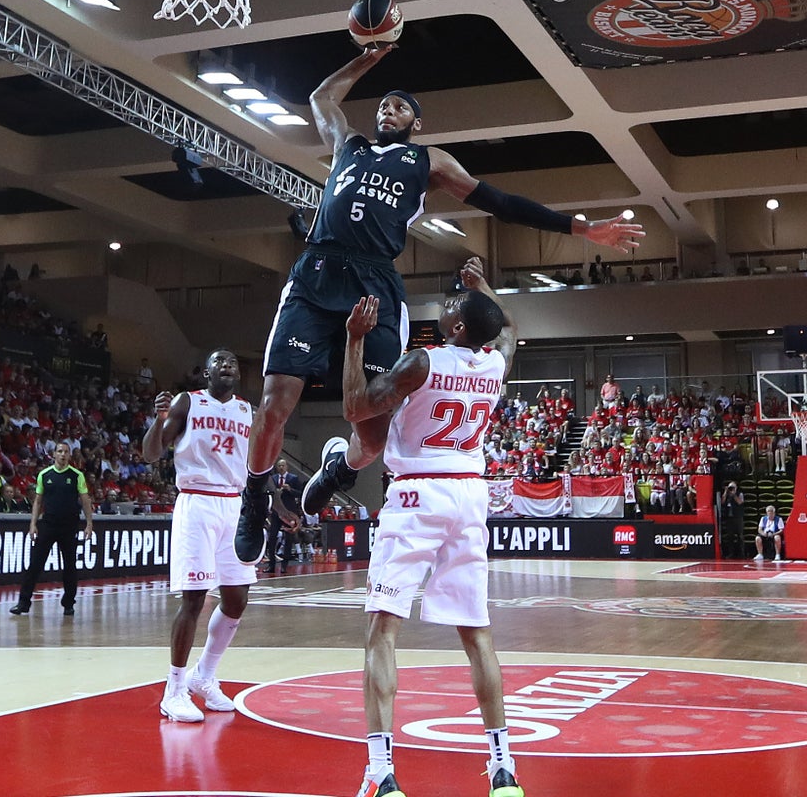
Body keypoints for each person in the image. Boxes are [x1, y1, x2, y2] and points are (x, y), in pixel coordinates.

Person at [238, 41, 642, 561]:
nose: (388, 110)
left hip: (375, 282)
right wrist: (369, 58)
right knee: (274, 403)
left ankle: (337, 469)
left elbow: (500, 202)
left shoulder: (429, 162)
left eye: (400, 107)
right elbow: (321, 97)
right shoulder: (348, 146)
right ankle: (255, 497)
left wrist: (581, 229)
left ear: (417, 123)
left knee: (373, 437)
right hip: (318, 273)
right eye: (384, 104)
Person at [338, 280, 523, 797]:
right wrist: (485, 290)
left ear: (458, 327)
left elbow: (355, 406)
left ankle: (381, 773)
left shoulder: (423, 361)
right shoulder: (495, 364)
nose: (447, 303)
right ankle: (504, 769)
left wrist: (355, 339)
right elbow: (509, 329)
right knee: (477, 634)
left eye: (454, 305)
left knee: (382, 630)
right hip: (469, 496)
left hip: (418, 492)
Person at [138, 349, 255, 723]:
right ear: (206, 373)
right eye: (218, 362)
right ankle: (173, 690)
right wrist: (159, 420)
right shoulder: (187, 402)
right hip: (198, 500)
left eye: (232, 362)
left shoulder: (246, 411)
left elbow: (254, 464)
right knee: (194, 599)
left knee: (236, 599)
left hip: (234, 505)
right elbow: (150, 454)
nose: (227, 366)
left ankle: (203, 675)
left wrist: (273, 507)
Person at [8, 443, 94, 617]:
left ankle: (68, 603)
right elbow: (38, 501)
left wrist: (89, 523)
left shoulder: (76, 475)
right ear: (54, 454)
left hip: (69, 525)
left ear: (69, 455)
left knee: (70, 566)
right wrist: (33, 524)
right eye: (60, 451)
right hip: (48, 524)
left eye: (66, 452)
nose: (63, 454)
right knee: (35, 564)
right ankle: (23, 602)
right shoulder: (44, 474)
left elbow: (85, 500)